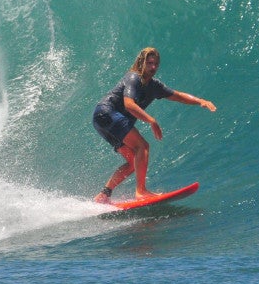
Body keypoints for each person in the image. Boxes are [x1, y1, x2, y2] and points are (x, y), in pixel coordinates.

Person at [92, 47, 216, 203]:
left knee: (133, 162)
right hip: (107, 113)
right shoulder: (133, 78)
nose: (153, 67)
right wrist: (152, 121)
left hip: (102, 120)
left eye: (156, 64)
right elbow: (129, 104)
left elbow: (177, 95)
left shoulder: (154, 86)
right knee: (142, 147)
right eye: (149, 63)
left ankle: (104, 195)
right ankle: (141, 192)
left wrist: (201, 101)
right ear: (141, 63)